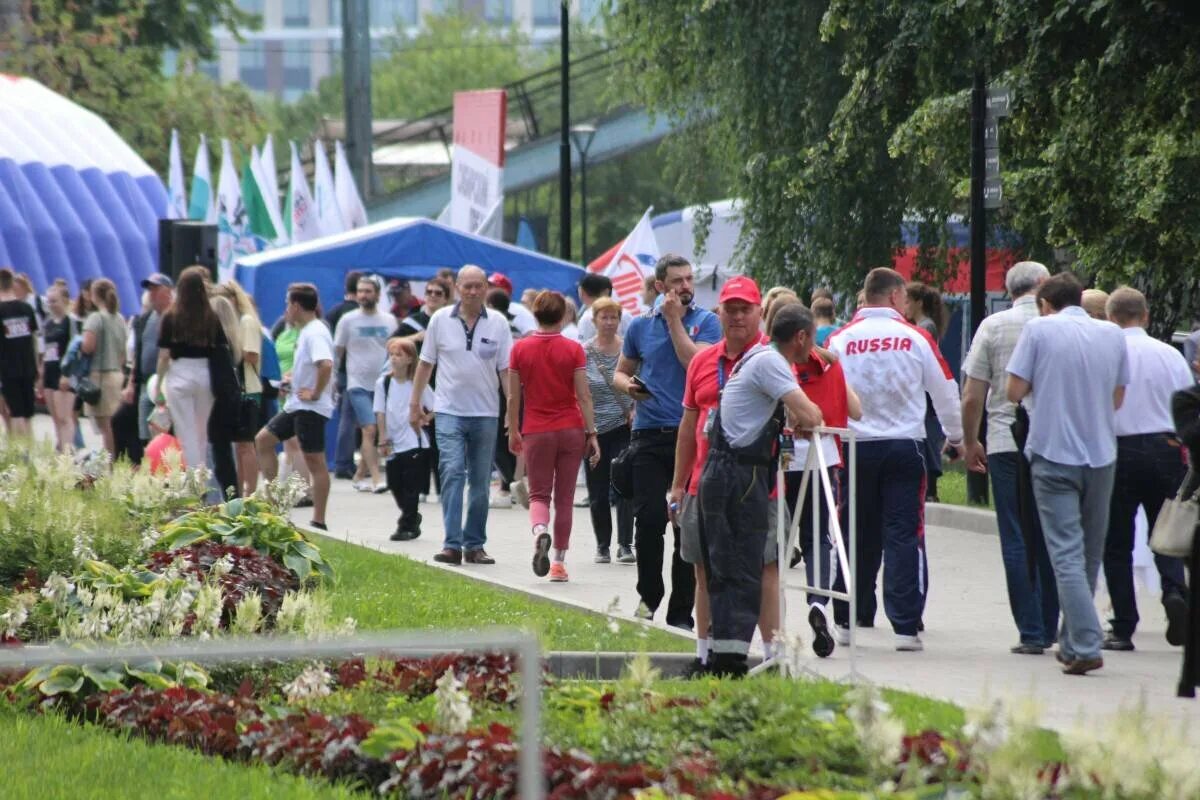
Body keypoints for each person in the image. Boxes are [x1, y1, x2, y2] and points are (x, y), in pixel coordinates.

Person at [826, 267, 964, 652]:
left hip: (854, 446)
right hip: (905, 446)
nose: (905, 305)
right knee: (904, 533)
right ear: (892, 297)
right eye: (903, 299)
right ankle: (905, 626)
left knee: (853, 531)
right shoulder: (916, 338)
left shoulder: (840, 340)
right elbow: (945, 389)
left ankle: (847, 619)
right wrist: (957, 437)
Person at [1006, 272, 1129, 676]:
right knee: (1089, 553)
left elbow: (1014, 390)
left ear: (1045, 303)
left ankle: (1087, 641)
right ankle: (1074, 642)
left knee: (1064, 554)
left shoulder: (1039, 330)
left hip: (1053, 452)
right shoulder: (1112, 335)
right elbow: (1118, 396)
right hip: (1101, 453)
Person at [697, 303, 824, 677]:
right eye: (812, 341)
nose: (812, 349)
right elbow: (812, 414)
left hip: (725, 472)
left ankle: (724, 657)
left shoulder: (756, 358)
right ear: (800, 337)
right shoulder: (772, 363)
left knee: (728, 569)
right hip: (739, 476)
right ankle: (730, 664)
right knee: (741, 569)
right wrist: (809, 417)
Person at [670, 276, 776, 672]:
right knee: (704, 569)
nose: (737, 316)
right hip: (704, 481)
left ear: (759, 313)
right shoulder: (702, 360)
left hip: (757, 485)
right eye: (730, 309)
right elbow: (687, 426)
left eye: (745, 309)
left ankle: (772, 657)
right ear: (719, 313)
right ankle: (704, 654)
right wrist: (677, 485)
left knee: (764, 568)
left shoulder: (770, 357)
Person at [615, 254, 722, 629]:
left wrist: (675, 321)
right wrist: (627, 386)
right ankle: (648, 597)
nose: (686, 286)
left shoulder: (707, 322)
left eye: (689, 279)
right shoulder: (640, 326)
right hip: (648, 433)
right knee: (648, 521)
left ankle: (681, 612)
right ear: (660, 286)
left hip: (691, 435)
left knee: (686, 527)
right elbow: (621, 371)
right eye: (677, 281)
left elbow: (699, 366)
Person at [960, 260, 1059, 654]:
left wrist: (970, 441)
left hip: (1004, 442)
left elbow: (972, 395)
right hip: (1052, 443)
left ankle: (1031, 630)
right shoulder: (1062, 324)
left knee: (1015, 537)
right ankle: (1051, 623)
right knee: (1051, 535)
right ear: (1042, 284)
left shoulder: (993, 326)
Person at [1102, 287, 1194, 651]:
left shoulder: (1109, 352)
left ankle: (1123, 625)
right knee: (1167, 531)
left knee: (1117, 542)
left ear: (1110, 317)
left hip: (1119, 448)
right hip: (1165, 448)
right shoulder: (1170, 354)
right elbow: (1188, 402)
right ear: (1146, 316)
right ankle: (1175, 592)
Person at [410, 265, 513, 566]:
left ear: (486, 288)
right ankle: (452, 544)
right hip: (449, 410)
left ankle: (475, 544)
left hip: (486, 412)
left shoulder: (498, 323)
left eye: (478, 285)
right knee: (453, 471)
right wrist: (414, 403)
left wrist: (513, 409)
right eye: (467, 286)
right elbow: (425, 364)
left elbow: (506, 370)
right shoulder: (440, 320)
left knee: (481, 480)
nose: (472, 291)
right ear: (457, 288)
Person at [507, 290, 601, 583]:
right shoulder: (574, 349)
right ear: (563, 316)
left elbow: (513, 397)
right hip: (571, 427)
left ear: (535, 314)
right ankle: (559, 562)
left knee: (538, 494)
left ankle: (539, 531)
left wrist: (513, 429)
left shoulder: (519, 349)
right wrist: (592, 432)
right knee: (565, 497)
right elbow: (584, 396)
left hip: (537, 428)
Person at [785, 319, 862, 656]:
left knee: (780, 538)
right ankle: (819, 601)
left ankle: (771, 625)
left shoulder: (774, 364)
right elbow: (856, 411)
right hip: (823, 455)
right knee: (818, 537)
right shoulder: (830, 365)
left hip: (784, 457)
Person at [256, 283, 335, 530]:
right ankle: (276, 505)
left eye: (288, 304)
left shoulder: (315, 332)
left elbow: (326, 364)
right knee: (263, 440)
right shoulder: (306, 331)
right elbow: (311, 366)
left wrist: (315, 392)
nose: (286, 310)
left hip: (310, 407)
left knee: (315, 461)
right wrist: (291, 379)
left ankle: (319, 519)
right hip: (296, 404)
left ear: (297, 306)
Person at [582, 297, 635, 564]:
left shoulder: (628, 349)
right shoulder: (584, 352)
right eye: (604, 317)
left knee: (625, 485)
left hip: (623, 426)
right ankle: (602, 544)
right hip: (593, 429)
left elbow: (639, 383)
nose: (609, 322)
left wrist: (635, 409)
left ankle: (625, 544)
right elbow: (579, 391)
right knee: (598, 490)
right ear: (594, 320)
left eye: (614, 317)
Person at [155, 266, 222, 474]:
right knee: (202, 433)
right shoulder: (211, 316)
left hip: (180, 371)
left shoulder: (170, 317)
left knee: (185, 433)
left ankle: (193, 482)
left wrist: (158, 385)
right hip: (205, 373)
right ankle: (201, 477)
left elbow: (164, 356)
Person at [333, 275, 396, 494]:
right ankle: (377, 478)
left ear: (377, 294)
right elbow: (337, 352)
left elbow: (393, 350)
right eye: (360, 291)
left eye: (368, 291)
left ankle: (360, 474)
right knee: (369, 428)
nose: (363, 295)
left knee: (377, 432)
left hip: (381, 384)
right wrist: (333, 382)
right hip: (356, 384)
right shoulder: (348, 320)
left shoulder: (389, 320)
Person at [394, 278, 451, 497]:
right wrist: (416, 337)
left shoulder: (450, 320)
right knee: (419, 438)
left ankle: (441, 488)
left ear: (445, 297)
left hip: (443, 383)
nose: (433, 296)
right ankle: (422, 489)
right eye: (429, 292)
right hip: (418, 383)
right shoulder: (414, 321)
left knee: (440, 440)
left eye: (438, 293)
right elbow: (392, 343)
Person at [375, 337, 435, 541]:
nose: (393, 359)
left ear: (410, 359)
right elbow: (380, 412)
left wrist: (425, 418)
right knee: (394, 482)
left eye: (398, 355)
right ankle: (411, 515)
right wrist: (383, 438)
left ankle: (407, 525)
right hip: (393, 442)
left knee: (411, 485)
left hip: (414, 441)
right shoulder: (383, 383)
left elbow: (436, 405)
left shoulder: (417, 384)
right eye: (391, 354)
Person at [215, 281, 264, 497]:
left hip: (248, 388)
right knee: (239, 447)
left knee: (246, 445)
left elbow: (252, 355)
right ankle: (240, 488)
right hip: (237, 388)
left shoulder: (246, 322)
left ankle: (250, 491)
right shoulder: (234, 322)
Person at [906, 282, 949, 502]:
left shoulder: (926, 326)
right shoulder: (921, 324)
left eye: (908, 301)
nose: (904, 306)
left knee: (928, 436)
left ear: (918, 303)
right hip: (923, 389)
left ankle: (931, 487)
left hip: (925, 390)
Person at [123, 274, 174, 450]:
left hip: (166, 384)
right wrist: (131, 383)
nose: (151, 294)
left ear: (168, 292)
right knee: (146, 436)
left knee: (165, 433)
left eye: (156, 289)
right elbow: (139, 352)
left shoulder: (175, 318)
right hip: (145, 384)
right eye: (150, 290)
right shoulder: (144, 319)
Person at [81, 278, 127, 456]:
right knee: (113, 424)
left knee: (106, 426)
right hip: (117, 374)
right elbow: (124, 352)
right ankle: (115, 458)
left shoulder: (95, 317)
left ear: (94, 296)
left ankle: (110, 462)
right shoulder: (120, 319)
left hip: (100, 375)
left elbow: (88, 346)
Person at [207, 294, 245, 497]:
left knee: (218, 456)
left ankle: (222, 498)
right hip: (231, 404)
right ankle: (232, 497)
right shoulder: (232, 344)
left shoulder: (216, 346)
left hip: (218, 405)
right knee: (225, 456)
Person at [328, 270, 363, 480]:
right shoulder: (356, 316)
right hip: (353, 372)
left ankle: (344, 460)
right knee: (350, 420)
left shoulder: (334, 312)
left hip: (339, 372)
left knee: (345, 417)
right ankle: (344, 463)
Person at [0, 268, 39, 440]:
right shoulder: (27, 309)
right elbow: (34, 339)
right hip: (28, 366)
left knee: (16, 413)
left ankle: (21, 454)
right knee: (28, 414)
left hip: (8, 368)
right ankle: (30, 451)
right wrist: (38, 365)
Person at [41, 285, 77, 451]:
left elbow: (76, 348)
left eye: (54, 301)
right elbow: (44, 350)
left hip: (64, 373)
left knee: (64, 416)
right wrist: (41, 374)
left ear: (64, 301)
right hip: (49, 371)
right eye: (49, 302)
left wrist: (68, 374)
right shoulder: (47, 323)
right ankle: (61, 446)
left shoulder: (70, 321)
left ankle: (68, 450)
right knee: (55, 417)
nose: (51, 305)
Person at [577, 273, 633, 340]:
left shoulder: (586, 318)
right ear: (607, 291)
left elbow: (582, 347)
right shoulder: (625, 314)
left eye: (613, 318)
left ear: (581, 292)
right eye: (604, 318)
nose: (609, 322)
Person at [487, 272, 537, 336]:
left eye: (493, 287)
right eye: (488, 286)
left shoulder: (518, 310)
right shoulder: (480, 309)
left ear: (505, 292)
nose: (488, 291)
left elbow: (533, 334)